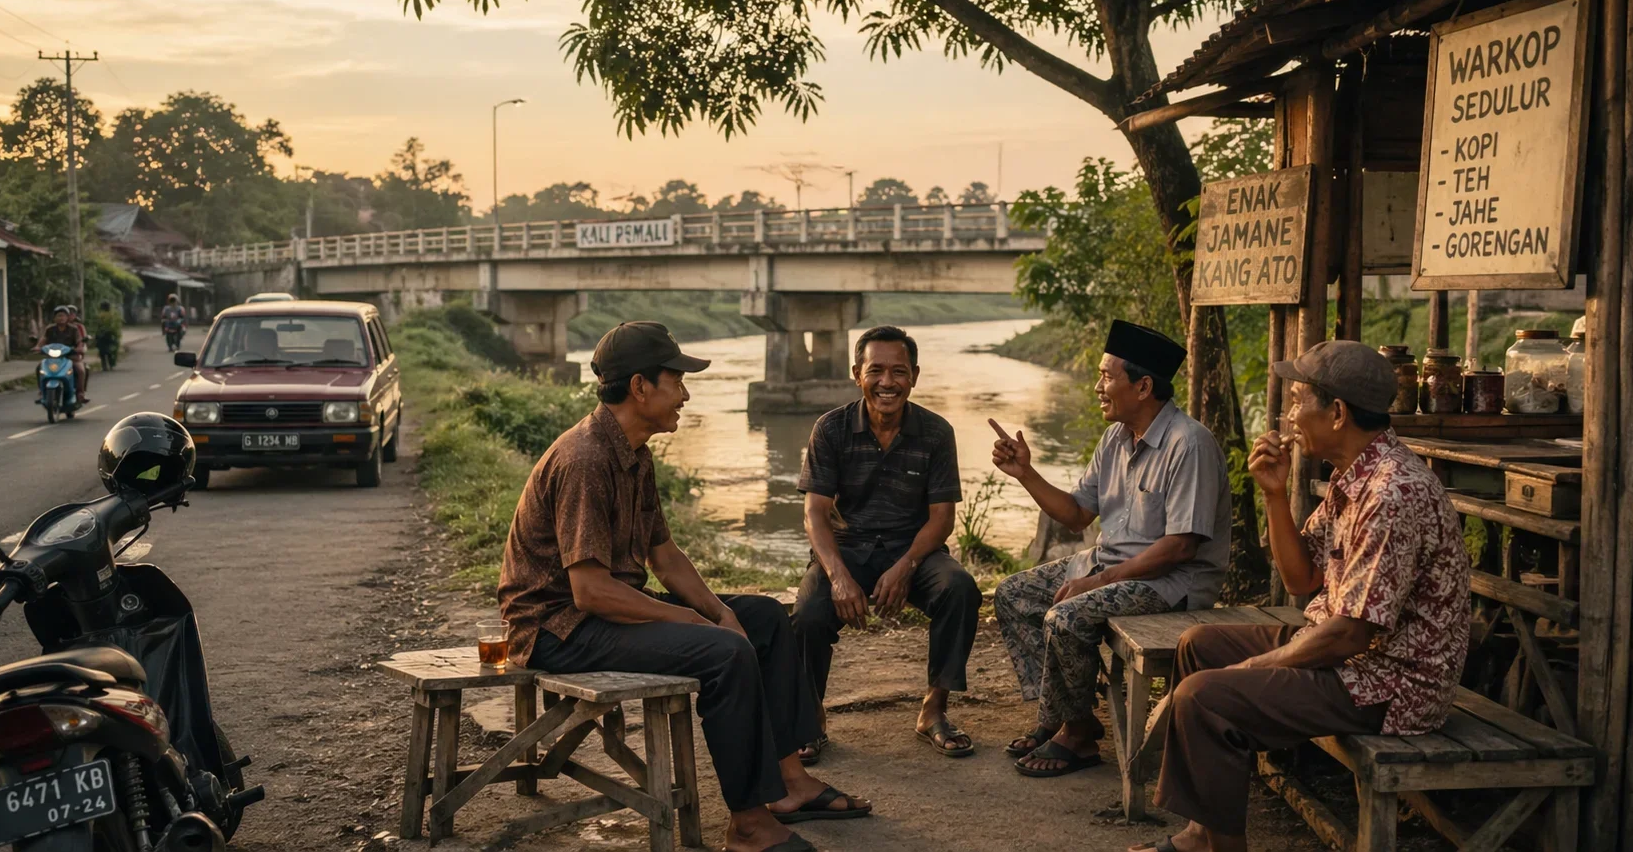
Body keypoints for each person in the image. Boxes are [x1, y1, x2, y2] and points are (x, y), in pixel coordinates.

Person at [498, 321, 871, 852]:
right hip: (558, 629)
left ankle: (792, 784)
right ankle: (748, 825)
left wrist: (720, 611)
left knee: (762, 618)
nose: (685, 394)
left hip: (600, 613)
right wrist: (701, 624)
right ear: (640, 387)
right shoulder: (586, 458)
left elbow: (665, 557)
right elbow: (590, 592)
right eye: (677, 381)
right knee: (724, 654)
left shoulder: (634, 453)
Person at [1131, 341, 1470, 852]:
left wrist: (1257, 667)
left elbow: (1351, 634)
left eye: (1296, 400)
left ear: (1336, 413)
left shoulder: (1391, 492)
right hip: (1350, 655)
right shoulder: (1353, 474)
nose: (1287, 415)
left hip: (1392, 684)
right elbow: (1302, 580)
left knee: (1206, 697)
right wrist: (1273, 493)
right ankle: (1203, 834)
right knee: (1198, 645)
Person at [990, 320, 1229, 777]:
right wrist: (1026, 474)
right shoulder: (1115, 437)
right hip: (1112, 567)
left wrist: (1096, 581)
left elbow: (1180, 547)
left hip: (1171, 584)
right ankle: (1067, 717)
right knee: (1014, 594)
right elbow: (1079, 513)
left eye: (1106, 376)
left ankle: (1078, 738)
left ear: (1142, 386)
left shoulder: (1188, 443)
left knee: (1067, 615)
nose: (1098, 386)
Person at [791, 325, 981, 763]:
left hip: (914, 548)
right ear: (856, 373)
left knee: (960, 589)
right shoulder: (831, 429)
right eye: (875, 370)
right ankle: (811, 718)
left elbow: (941, 518)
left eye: (899, 371)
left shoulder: (936, 432)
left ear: (914, 376)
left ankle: (934, 710)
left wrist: (907, 564)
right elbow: (815, 513)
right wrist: (838, 576)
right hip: (846, 549)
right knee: (807, 614)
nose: (887, 382)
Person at [36, 306, 88, 403]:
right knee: (39, 367)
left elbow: (79, 341)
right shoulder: (50, 329)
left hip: (70, 356)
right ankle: (41, 392)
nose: (61, 318)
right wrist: (38, 347)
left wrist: (79, 348)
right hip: (53, 357)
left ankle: (80, 393)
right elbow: (43, 339)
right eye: (58, 316)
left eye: (63, 316)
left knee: (80, 370)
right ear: (54, 318)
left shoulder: (74, 329)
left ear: (67, 317)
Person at [93, 301, 123, 371]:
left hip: (102, 336)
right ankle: (111, 364)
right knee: (111, 351)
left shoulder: (100, 316)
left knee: (102, 352)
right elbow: (117, 327)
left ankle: (104, 366)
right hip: (111, 336)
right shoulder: (113, 315)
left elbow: (98, 327)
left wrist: (97, 336)